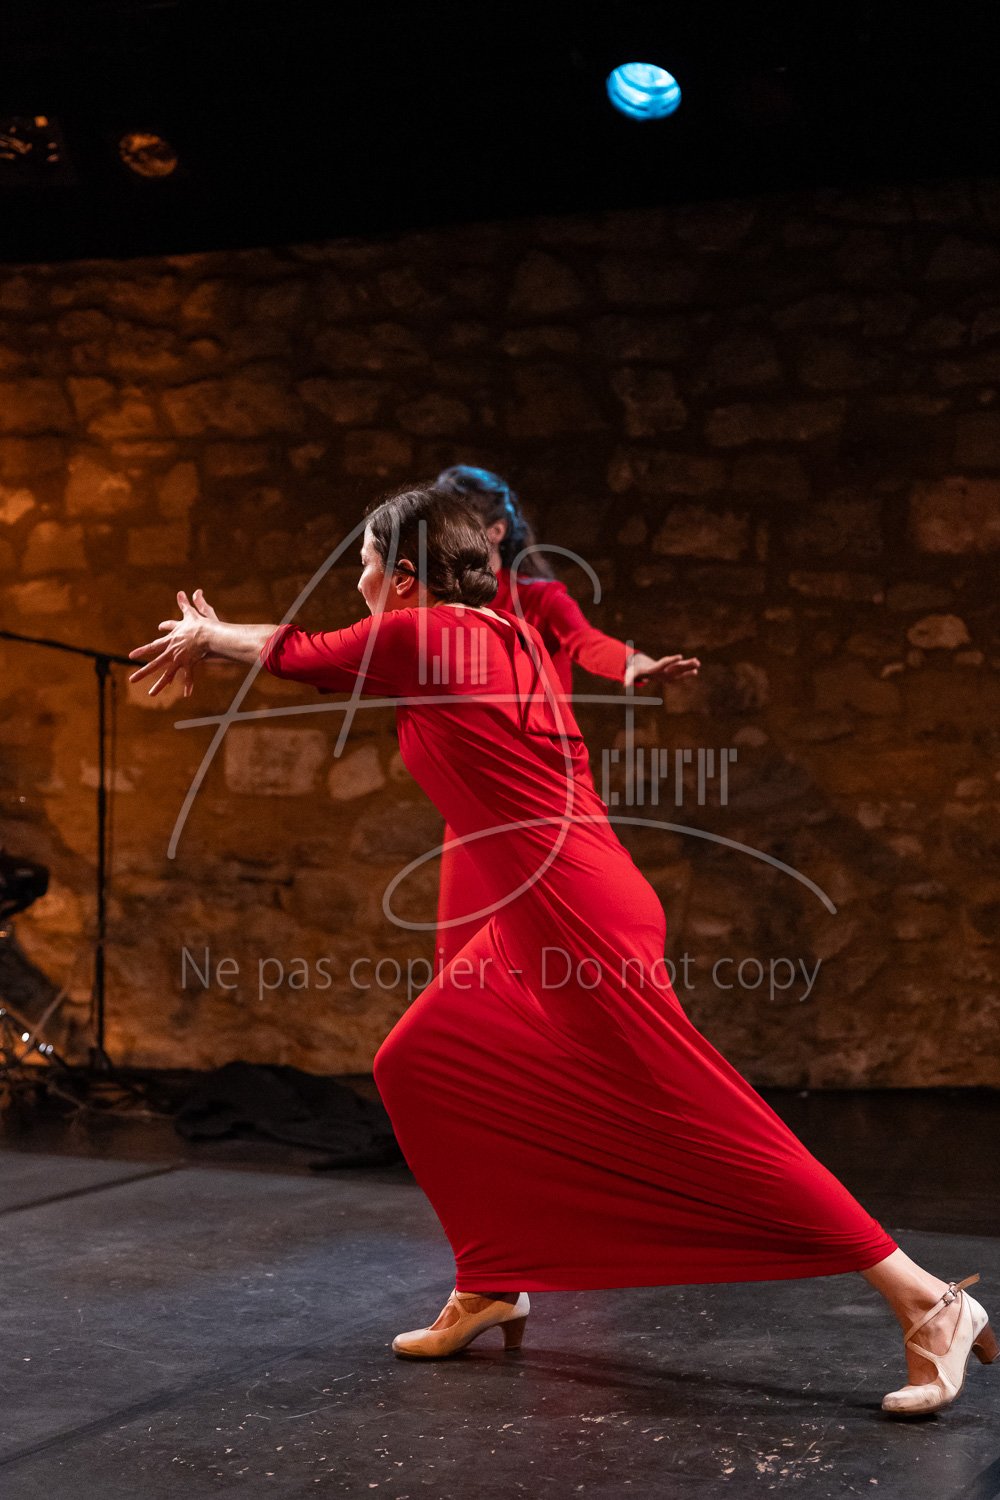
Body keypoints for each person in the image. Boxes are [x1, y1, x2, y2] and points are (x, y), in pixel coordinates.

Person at [128, 484, 995, 1415]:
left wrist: (208, 635)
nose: (359, 584)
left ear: (406, 576)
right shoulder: (498, 637)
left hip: (578, 915)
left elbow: (297, 652)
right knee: (419, 1061)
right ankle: (492, 1280)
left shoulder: (427, 634)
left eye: (366, 566)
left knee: (712, 1121)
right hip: (551, 910)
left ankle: (928, 1302)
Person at [431, 464, 700, 970]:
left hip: (544, 791)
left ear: (495, 531)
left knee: (564, 945)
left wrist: (635, 663)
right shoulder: (442, 611)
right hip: (478, 795)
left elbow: (587, 642)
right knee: (467, 952)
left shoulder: (538, 599)